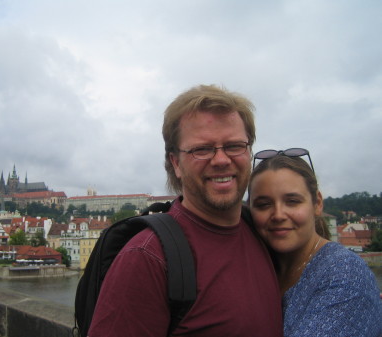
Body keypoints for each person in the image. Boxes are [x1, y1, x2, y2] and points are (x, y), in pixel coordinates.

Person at [87, 85, 283, 336]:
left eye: (235, 145)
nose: (222, 160)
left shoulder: (264, 232)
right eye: (202, 149)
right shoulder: (146, 258)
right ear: (176, 163)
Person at [248, 149, 382, 337]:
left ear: (317, 203)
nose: (278, 215)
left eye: (292, 201)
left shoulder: (345, 273)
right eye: (263, 204)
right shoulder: (258, 269)